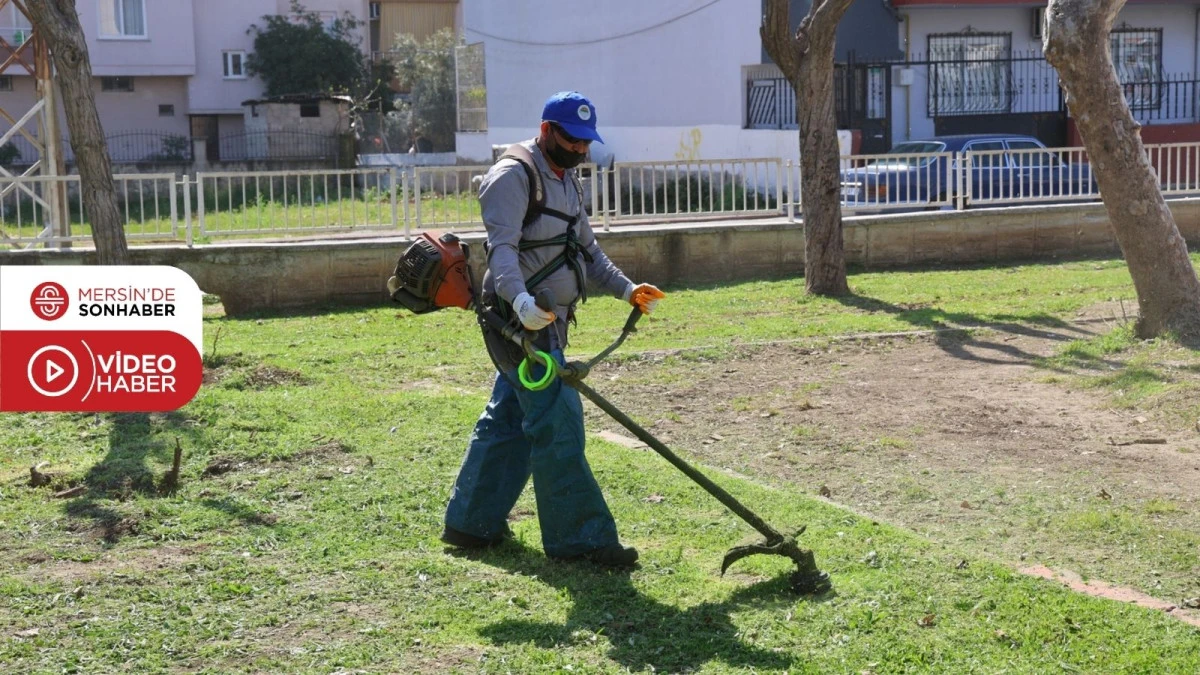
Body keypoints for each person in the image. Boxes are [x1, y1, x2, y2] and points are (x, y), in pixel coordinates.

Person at [441, 91, 665, 566]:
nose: (581, 149)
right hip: (516, 321)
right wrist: (520, 302)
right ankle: (580, 541)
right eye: (572, 140)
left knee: (508, 419)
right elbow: (502, 250)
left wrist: (628, 290)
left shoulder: (567, 180)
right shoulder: (512, 176)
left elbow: (588, 251)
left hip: (547, 321)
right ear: (546, 131)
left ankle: (470, 523)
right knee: (558, 421)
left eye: (586, 142)